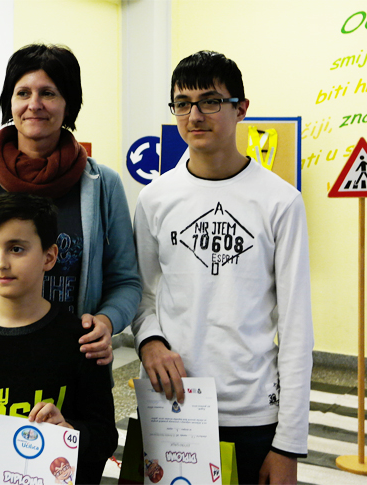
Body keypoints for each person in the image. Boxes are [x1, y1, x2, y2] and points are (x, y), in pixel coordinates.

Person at [131, 51, 313, 484]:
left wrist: (288, 444)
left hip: (252, 412)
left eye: (210, 101)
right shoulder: (154, 198)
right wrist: (149, 341)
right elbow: (141, 294)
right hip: (171, 404)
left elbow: (296, 328)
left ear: (241, 109)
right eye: (183, 103)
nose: (194, 115)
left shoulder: (281, 201)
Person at [0, 44, 141, 365]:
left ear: (69, 104)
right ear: (9, 102)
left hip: (73, 361)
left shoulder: (103, 185)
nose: (34, 105)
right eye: (23, 93)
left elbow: (125, 281)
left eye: (48, 93)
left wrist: (107, 321)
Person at [0, 193, 118, 484]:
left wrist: (69, 433)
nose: (1, 263)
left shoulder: (80, 342)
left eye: (16, 249)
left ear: (49, 257)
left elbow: (105, 436)